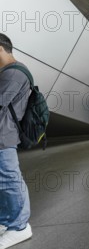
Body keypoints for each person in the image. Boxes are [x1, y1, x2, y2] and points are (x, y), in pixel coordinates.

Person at [0, 33, 33, 247]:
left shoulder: (13, 73)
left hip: (4, 135)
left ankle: (20, 226)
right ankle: (5, 221)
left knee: (10, 180)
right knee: (3, 181)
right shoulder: (7, 72)